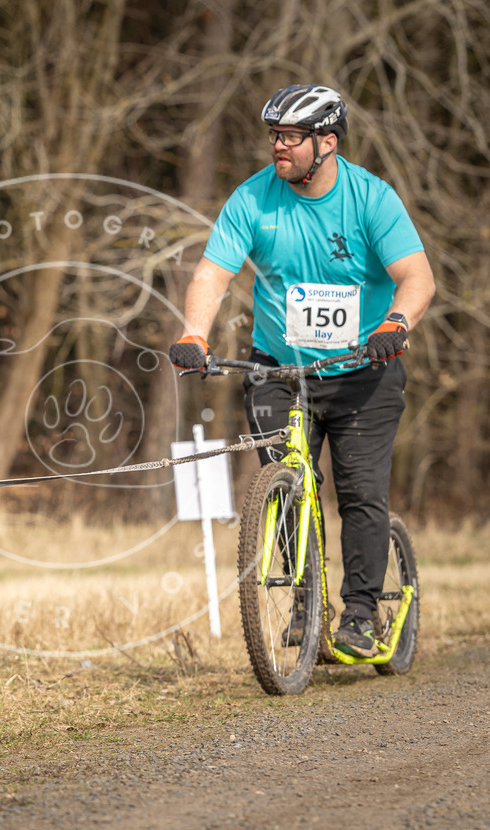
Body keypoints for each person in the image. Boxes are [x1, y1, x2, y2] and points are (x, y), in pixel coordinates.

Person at [169, 84, 435, 657]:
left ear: (328, 142)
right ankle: (305, 601)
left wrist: (396, 323)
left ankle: (361, 614)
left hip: (364, 369)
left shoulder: (371, 199)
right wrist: (194, 333)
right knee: (285, 487)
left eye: (291, 137)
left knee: (361, 493)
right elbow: (212, 275)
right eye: (274, 136)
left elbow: (418, 277)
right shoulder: (252, 200)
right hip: (279, 370)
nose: (278, 147)